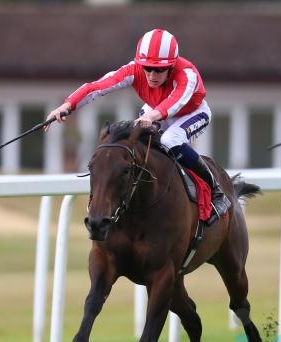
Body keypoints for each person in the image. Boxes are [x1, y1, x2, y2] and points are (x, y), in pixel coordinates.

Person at [46, 28, 230, 223]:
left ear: (172, 66)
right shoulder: (133, 70)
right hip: (155, 110)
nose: (152, 75)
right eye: (147, 68)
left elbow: (174, 103)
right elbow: (97, 87)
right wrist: (67, 106)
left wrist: (150, 116)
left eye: (159, 69)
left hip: (191, 113)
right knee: (136, 145)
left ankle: (217, 192)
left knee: (169, 140)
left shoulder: (187, 74)